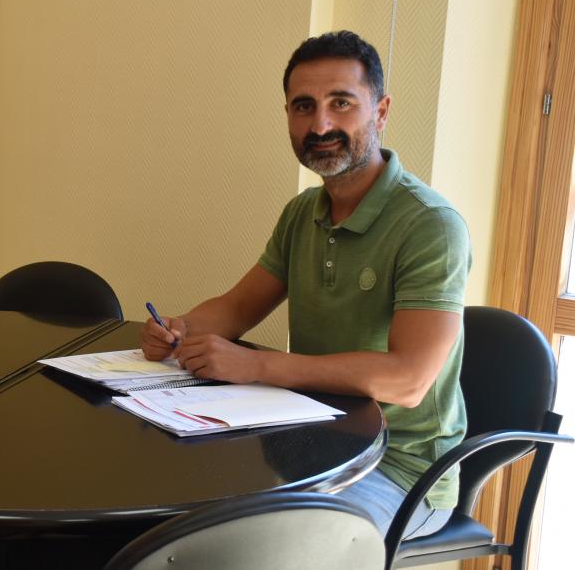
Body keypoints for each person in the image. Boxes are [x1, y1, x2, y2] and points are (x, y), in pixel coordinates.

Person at [141, 30, 469, 539]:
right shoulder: (302, 213)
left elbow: (409, 380)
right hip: (310, 441)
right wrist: (178, 328)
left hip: (402, 471)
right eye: (303, 106)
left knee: (260, 547)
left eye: (342, 103)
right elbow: (236, 307)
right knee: (176, 519)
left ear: (380, 112)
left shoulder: (430, 225)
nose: (321, 124)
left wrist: (259, 365)